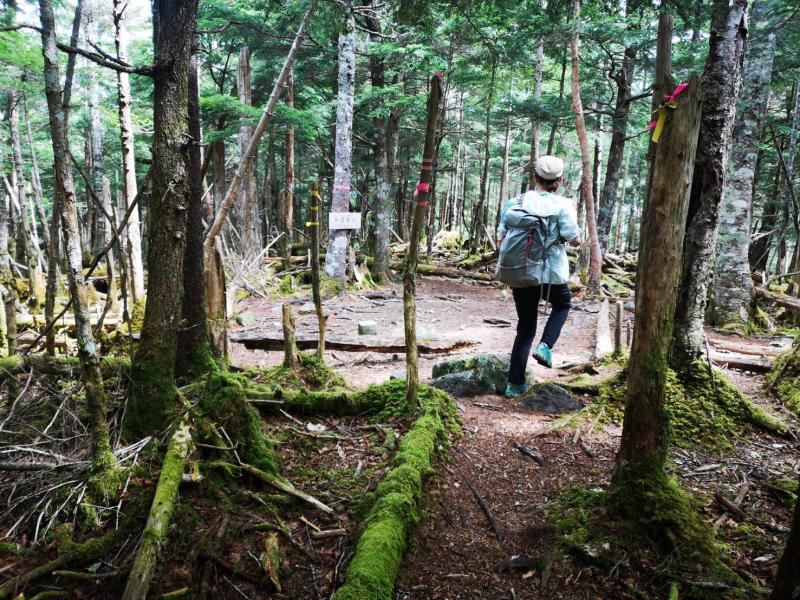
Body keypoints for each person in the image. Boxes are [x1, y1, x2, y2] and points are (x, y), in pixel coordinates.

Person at [497, 155, 582, 398]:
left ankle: (514, 385)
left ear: (535, 177)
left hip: (522, 272)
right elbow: (575, 240)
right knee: (563, 305)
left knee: (525, 328)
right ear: (559, 181)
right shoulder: (563, 205)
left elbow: (501, 235)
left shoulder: (516, 202)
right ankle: (545, 346)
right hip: (552, 274)